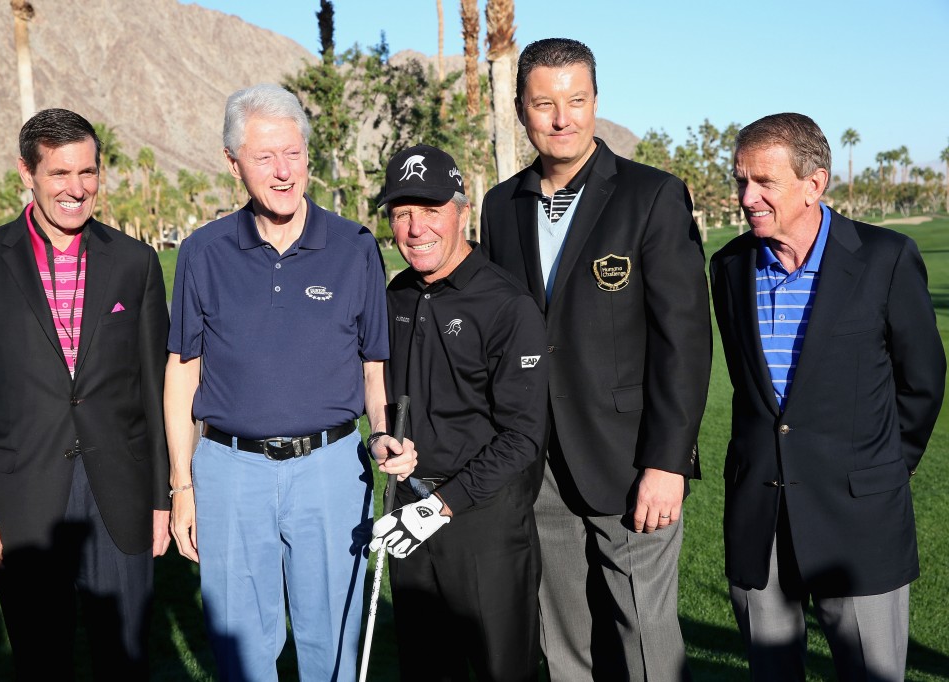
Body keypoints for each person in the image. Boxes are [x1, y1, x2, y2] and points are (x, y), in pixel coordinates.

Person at [163, 83, 413, 682]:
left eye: (293, 153)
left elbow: (373, 366)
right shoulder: (203, 252)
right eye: (264, 156)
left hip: (330, 470)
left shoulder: (354, 247)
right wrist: (182, 487)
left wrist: (382, 436)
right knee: (242, 648)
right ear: (233, 164)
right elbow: (182, 375)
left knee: (333, 637)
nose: (283, 172)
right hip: (229, 470)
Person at [480, 38, 712, 680]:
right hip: (539, 466)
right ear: (521, 112)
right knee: (564, 642)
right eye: (545, 104)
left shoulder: (652, 196)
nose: (563, 118)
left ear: (596, 103)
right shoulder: (501, 206)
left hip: (630, 461)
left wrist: (668, 462)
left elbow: (685, 342)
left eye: (577, 101)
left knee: (644, 635)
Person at [710, 112, 945, 681]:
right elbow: (749, 388)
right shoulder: (728, 266)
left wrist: (884, 466)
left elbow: (923, 380)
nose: (747, 197)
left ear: (815, 184)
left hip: (858, 519)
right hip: (759, 516)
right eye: (742, 180)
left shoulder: (886, 258)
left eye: (765, 182)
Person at [0, 108, 170, 678]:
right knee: (42, 663)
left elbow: (156, 389)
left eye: (87, 172)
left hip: (121, 497)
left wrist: (164, 497)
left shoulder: (134, 262)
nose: (77, 188)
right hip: (23, 506)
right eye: (60, 174)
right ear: (28, 173)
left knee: (127, 663)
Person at [368, 144, 549, 681]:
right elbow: (379, 389)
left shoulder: (506, 304)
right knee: (426, 667)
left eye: (429, 210)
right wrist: (380, 437)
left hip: (482, 520)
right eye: (401, 213)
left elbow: (523, 436)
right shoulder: (396, 295)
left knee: (499, 669)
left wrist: (441, 507)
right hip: (409, 508)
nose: (415, 228)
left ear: (461, 210)